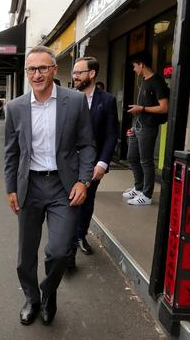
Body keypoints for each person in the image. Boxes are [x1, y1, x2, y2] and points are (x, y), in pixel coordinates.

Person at [4, 45, 95, 326]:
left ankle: (48, 292)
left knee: (59, 252)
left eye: (43, 68)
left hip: (62, 186)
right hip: (29, 185)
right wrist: (10, 188)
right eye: (32, 69)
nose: (37, 74)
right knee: (25, 256)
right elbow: (11, 153)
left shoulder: (75, 101)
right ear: (27, 72)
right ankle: (32, 298)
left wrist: (84, 180)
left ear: (54, 70)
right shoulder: (16, 107)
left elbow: (88, 145)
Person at [68, 56, 118, 267]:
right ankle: (67, 242)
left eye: (79, 72)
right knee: (67, 201)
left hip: (94, 164)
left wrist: (102, 163)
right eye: (74, 72)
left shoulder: (107, 101)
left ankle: (80, 236)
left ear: (92, 74)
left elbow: (111, 135)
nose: (75, 76)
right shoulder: (67, 98)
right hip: (69, 162)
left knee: (87, 201)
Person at [124, 51, 169, 206]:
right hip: (138, 126)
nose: (134, 69)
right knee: (132, 157)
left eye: (135, 66)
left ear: (141, 65)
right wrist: (133, 124)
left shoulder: (157, 81)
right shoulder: (143, 81)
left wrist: (141, 108)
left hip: (148, 127)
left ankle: (147, 194)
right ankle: (138, 188)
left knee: (146, 161)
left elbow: (164, 108)